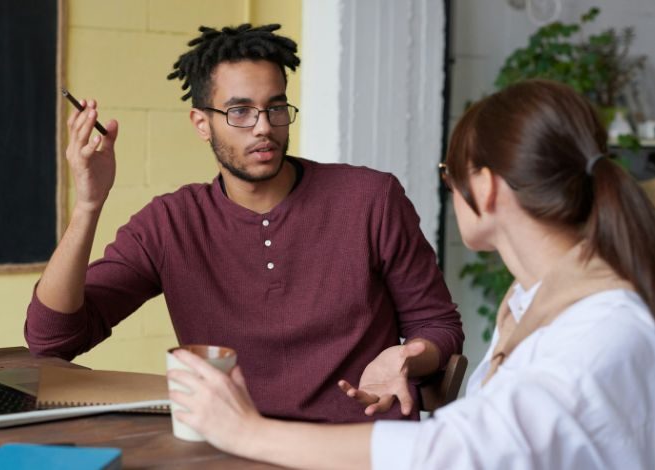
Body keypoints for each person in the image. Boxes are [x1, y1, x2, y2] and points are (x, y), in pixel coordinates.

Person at [165, 79, 655, 469]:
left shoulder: (600, 330)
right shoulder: (536, 304)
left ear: (484, 188)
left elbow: (456, 452)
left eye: (449, 173)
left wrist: (246, 431)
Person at [24, 23, 463, 423]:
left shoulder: (370, 198)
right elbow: (53, 339)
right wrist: (88, 205)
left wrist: (406, 358)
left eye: (275, 108)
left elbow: (439, 326)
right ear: (201, 123)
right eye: (240, 111)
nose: (263, 128)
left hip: (355, 446)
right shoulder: (170, 222)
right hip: (231, 447)